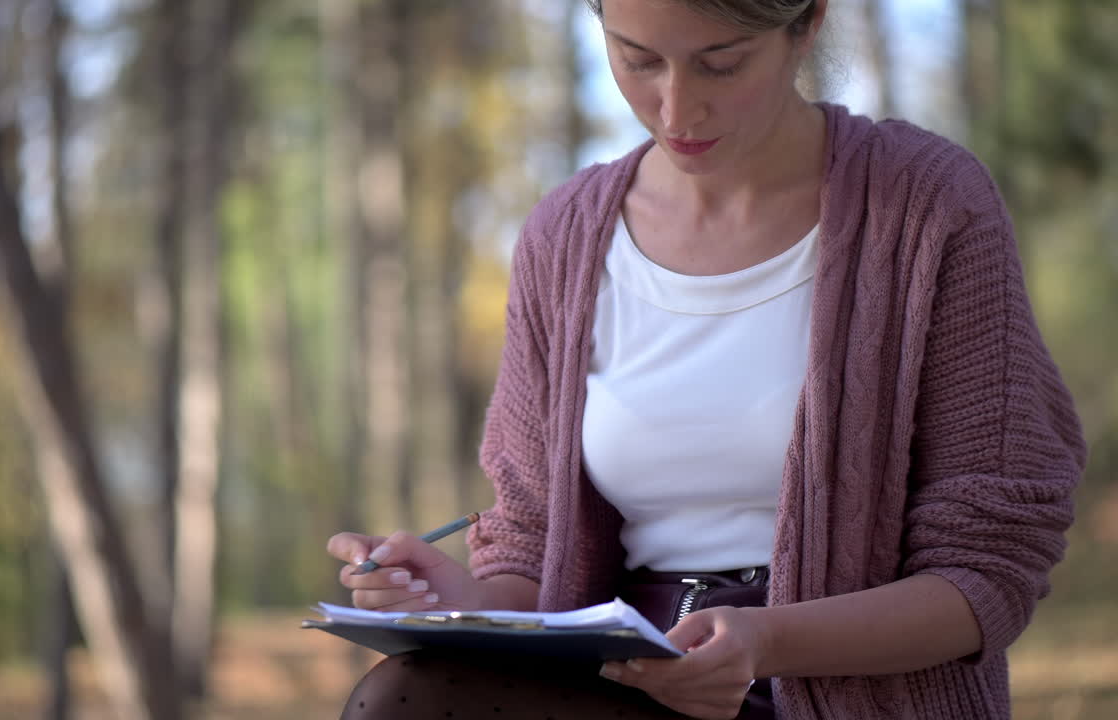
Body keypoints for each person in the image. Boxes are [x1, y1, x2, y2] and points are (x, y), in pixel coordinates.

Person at [325, 0, 1086, 717]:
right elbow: (533, 543)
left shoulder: (928, 206)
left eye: (721, 64)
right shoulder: (564, 238)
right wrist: (458, 598)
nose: (677, 109)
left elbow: (987, 572)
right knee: (404, 698)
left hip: (848, 682)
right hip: (622, 676)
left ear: (807, 23)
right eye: (637, 60)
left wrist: (767, 643)